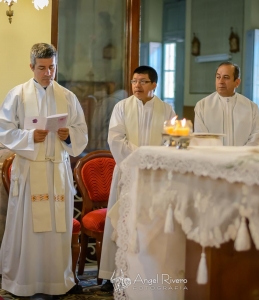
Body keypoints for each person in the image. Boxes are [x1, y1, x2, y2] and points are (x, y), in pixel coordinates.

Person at [0, 43, 88, 298]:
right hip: (30, 170)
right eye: (42, 68)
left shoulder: (67, 96)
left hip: (57, 170)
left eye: (52, 67)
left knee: (57, 228)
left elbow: (80, 130)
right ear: (31, 67)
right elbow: (4, 130)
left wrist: (68, 135)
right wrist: (28, 136)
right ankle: (24, 281)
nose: (48, 73)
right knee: (28, 229)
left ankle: (57, 281)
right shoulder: (17, 95)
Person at [98, 66, 176, 292]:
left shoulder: (166, 110)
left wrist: (151, 160)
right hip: (127, 173)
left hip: (154, 177)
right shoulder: (122, 107)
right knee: (121, 221)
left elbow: (171, 142)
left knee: (148, 223)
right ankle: (115, 275)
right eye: (134, 81)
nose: (137, 86)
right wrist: (141, 156)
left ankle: (145, 272)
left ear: (154, 85)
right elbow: (115, 139)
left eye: (143, 81)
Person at [194, 62, 259, 146]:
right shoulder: (202, 106)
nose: (221, 81)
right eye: (218, 77)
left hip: (242, 157)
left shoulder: (251, 107)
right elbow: (201, 138)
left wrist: (239, 157)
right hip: (213, 157)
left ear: (237, 82)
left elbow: (256, 138)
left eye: (226, 77)